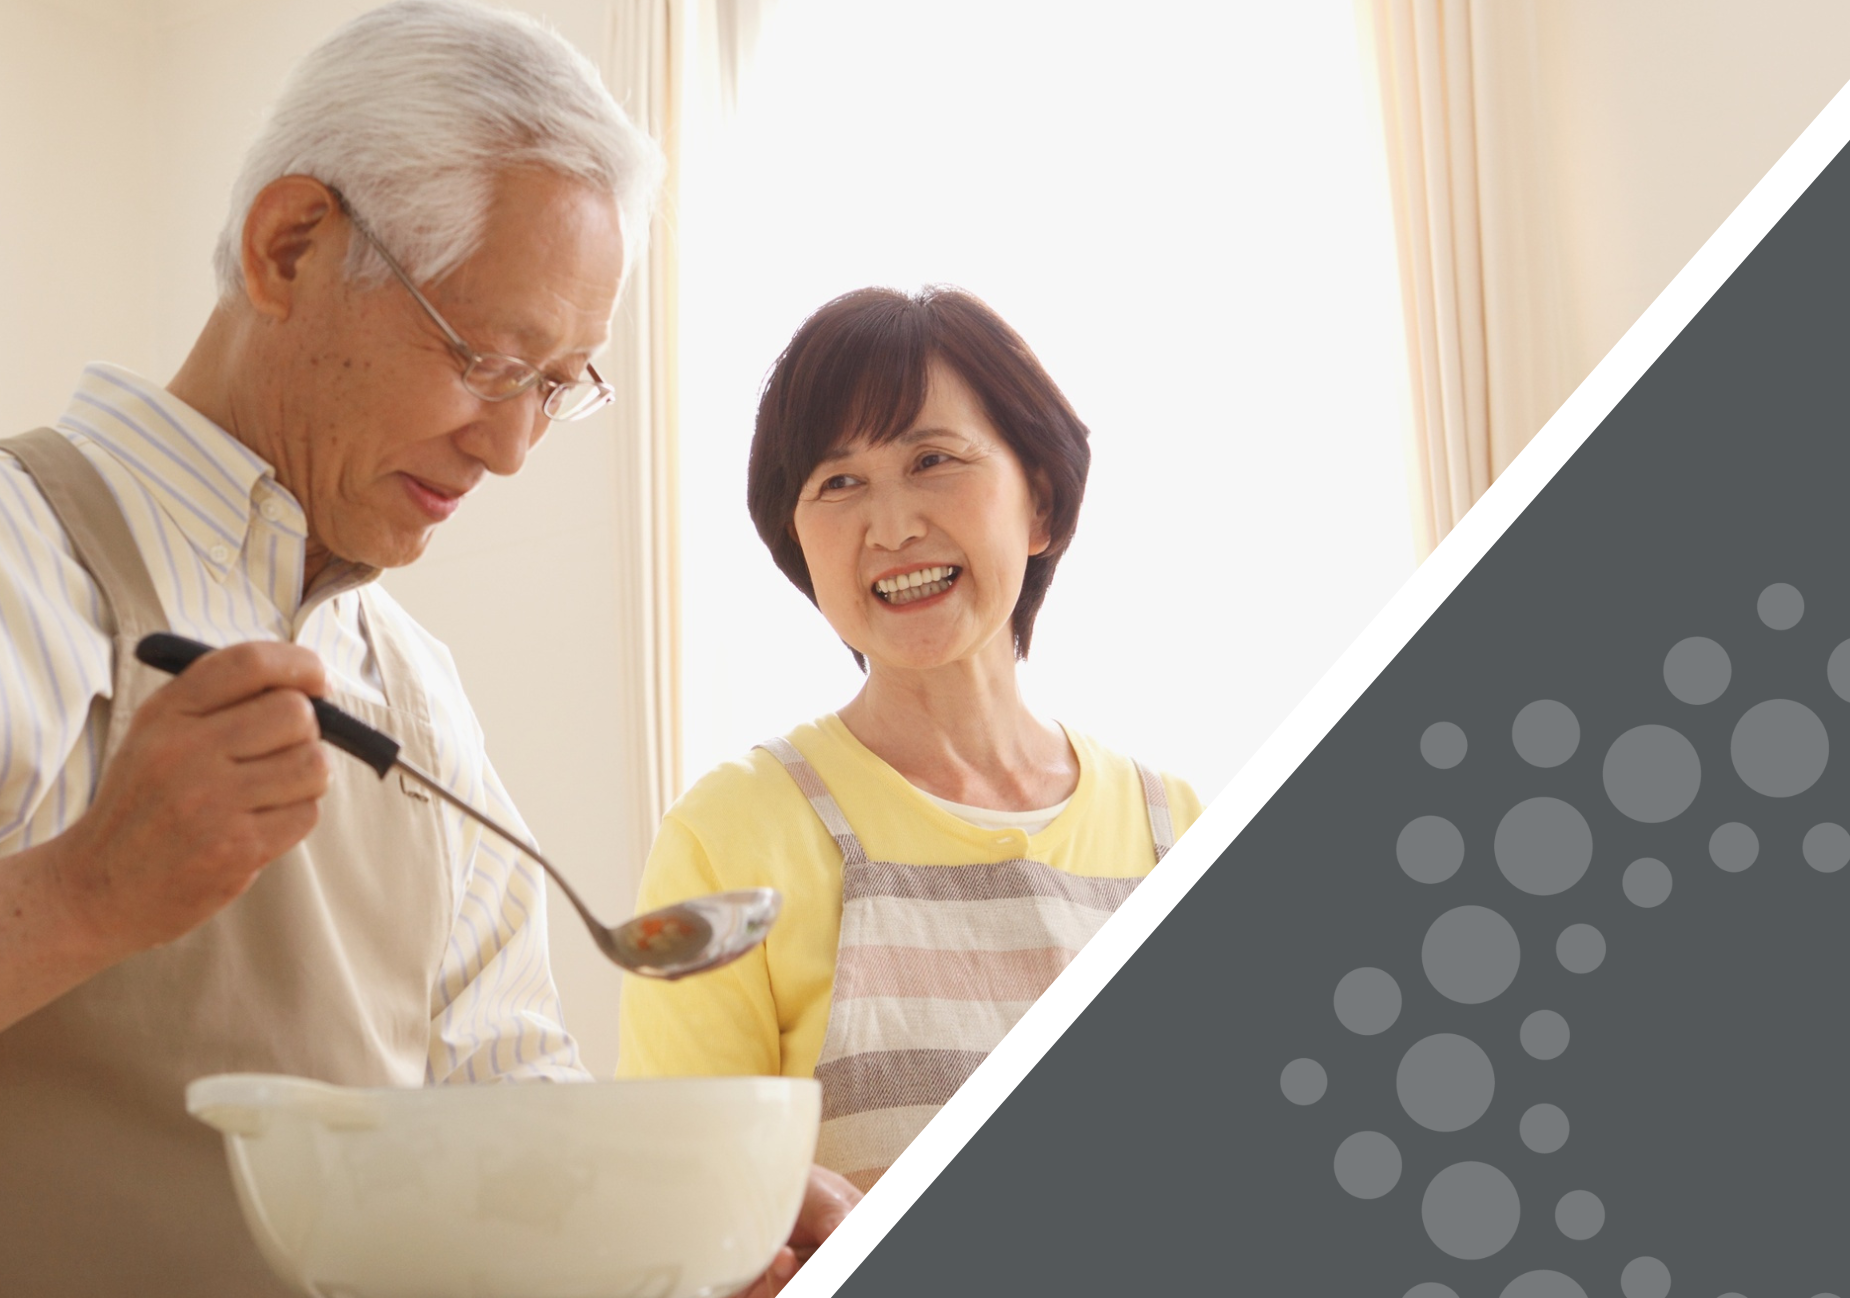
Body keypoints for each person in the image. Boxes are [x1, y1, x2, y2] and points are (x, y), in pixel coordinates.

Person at [0, 3, 852, 1293]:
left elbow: (499, 1104)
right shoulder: (20, 553)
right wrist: (82, 896)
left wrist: (684, 1217)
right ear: (290, 247)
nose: (510, 449)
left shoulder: (412, 683)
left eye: (558, 385)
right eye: (488, 360)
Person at [617, 286, 1204, 1191]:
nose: (891, 528)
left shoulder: (1183, 830)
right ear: (799, 541)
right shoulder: (729, 837)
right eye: (838, 483)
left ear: (1040, 505)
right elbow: (675, 1213)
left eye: (934, 459)